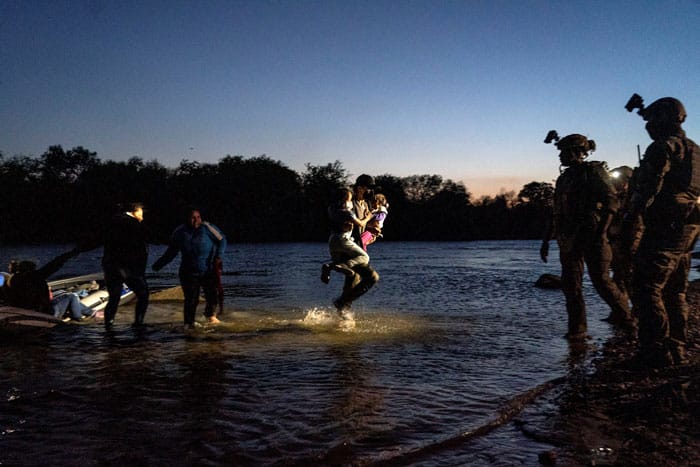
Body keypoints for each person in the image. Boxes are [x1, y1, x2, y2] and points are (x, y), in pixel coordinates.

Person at [624, 95, 700, 367]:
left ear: (665, 119)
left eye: (653, 119)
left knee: (646, 287)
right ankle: (676, 348)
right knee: (675, 290)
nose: (648, 125)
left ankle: (655, 352)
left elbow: (647, 189)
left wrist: (630, 217)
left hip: (665, 225)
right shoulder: (694, 148)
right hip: (689, 226)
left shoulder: (662, 147)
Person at [540, 131, 634, 340]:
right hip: (569, 238)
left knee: (601, 281)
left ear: (576, 152)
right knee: (571, 285)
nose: (560, 156)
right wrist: (546, 241)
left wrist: (601, 232)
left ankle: (627, 320)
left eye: (564, 152)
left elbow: (611, 203)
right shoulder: (564, 179)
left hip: (592, 235)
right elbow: (556, 211)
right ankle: (577, 330)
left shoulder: (593, 172)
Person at [152, 207, 227, 329]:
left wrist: (218, 256)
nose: (196, 220)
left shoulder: (207, 227)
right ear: (186, 219)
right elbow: (172, 251)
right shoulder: (179, 232)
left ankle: (210, 316)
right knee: (191, 299)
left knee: (212, 296)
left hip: (207, 270)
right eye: (193, 218)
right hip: (188, 271)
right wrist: (159, 265)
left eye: (198, 217)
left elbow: (222, 239)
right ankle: (189, 323)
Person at [101, 202, 151, 329]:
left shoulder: (112, 223)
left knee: (114, 297)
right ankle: (138, 323)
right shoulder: (134, 224)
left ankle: (109, 324)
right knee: (143, 294)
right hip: (128, 268)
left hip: (111, 266)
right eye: (141, 212)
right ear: (134, 211)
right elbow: (140, 247)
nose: (143, 216)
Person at [2, 252, 93, 321]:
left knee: (62, 292)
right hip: (45, 312)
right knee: (72, 296)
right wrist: (69, 254)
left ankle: (90, 312)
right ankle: (79, 318)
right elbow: (53, 265)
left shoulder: (11, 279)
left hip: (25, 308)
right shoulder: (35, 276)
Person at [320, 188, 374, 299]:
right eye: (349, 200)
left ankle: (330, 267)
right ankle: (338, 266)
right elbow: (361, 223)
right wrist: (368, 217)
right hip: (343, 240)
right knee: (365, 257)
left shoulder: (331, 209)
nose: (351, 202)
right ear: (343, 201)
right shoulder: (348, 213)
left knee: (342, 266)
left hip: (332, 241)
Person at [607, 166, 638, 300]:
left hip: (630, 241)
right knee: (618, 276)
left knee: (630, 276)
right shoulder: (615, 198)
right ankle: (623, 307)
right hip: (616, 240)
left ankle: (636, 309)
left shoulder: (636, 199)